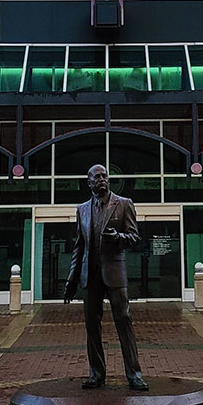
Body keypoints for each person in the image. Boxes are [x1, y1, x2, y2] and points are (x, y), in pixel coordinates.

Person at [63, 164, 148, 390]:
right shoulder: (82, 209)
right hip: (89, 276)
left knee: (124, 321)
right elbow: (78, 247)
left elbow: (134, 237)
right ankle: (97, 374)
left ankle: (134, 374)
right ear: (89, 182)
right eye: (97, 177)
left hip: (114, 274)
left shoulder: (124, 204)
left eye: (104, 176)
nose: (102, 180)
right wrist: (71, 280)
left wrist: (118, 237)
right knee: (92, 326)